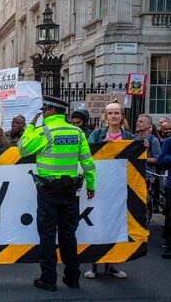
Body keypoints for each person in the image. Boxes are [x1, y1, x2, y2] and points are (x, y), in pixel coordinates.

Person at [17, 96, 95, 292]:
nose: (42, 114)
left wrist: (31, 126)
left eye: (44, 111)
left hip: (48, 191)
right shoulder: (77, 132)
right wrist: (91, 185)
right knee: (69, 234)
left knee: (48, 235)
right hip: (70, 191)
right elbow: (87, 162)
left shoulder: (44, 131)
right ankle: (73, 278)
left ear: (51, 111)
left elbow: (22, 149)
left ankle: (48, 279)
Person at [85, 99, 131, 279]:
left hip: (119, 188)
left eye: (117, 113)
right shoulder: (96, 136)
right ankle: (93, 265)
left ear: (121, 117)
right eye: (110, 113)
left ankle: (112, 265)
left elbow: (137, 157)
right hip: (99, 184)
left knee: (116, 225)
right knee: (97, 224)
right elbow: (86, 154)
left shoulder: (129, 138)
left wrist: (143, 147)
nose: (113, 115)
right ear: (105, 117)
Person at [134, 114, 161, 219]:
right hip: (134, 174)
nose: (138, 123)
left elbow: (157, 159)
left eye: (142, 121)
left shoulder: (153, 140)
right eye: (138, 120)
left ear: (149, 125)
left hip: (147, 175)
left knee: (144, 201)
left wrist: (141, 159)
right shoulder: (133, 138)